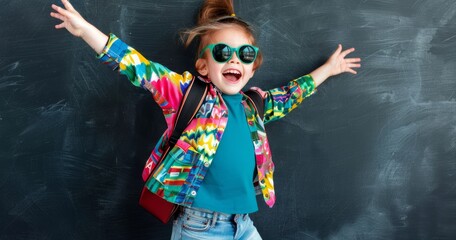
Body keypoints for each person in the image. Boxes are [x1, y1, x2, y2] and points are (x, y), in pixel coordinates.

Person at [50, 0, 361, 239]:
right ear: (203, 66)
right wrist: (87, 31)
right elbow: (139, 67)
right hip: (200, 226)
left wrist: (328, 70)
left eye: (245, 54)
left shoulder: (254, 105)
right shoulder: (187, 95)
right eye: (223, 53)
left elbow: (290, 95)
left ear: (252, 68)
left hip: (243, 224)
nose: (235, 59)